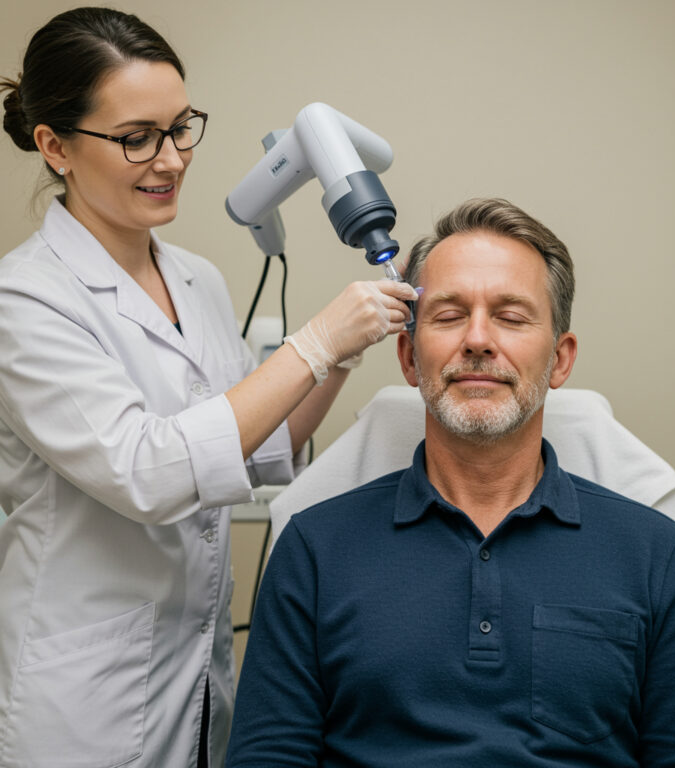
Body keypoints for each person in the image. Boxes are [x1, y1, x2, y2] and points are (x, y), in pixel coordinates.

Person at [0, 8, 416, 768]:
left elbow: (258, 447)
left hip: (195, 676)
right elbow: (149, 472)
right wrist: (316, 341)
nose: (171, 160)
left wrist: (343, 357)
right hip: (84, 699)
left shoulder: (198, 280)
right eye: (137, 137)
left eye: (180, 127)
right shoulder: (24, 301)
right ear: (56, 147)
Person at [226, 198, 675, 766]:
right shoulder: (314, 550)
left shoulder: (655, 554)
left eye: (511, 317)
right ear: (408, 356)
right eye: (449, 315)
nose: (477, 339)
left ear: (561, 360)